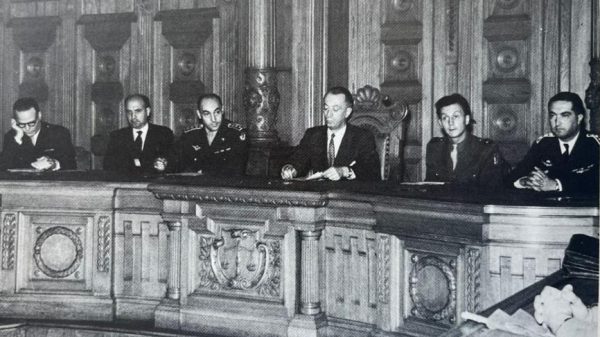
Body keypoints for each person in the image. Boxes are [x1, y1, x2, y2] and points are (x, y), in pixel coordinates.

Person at [281, 86, 380, 181]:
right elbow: (298, 160)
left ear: (347, 112)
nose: (328, 114)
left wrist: (344, 171)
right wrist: (291, 169)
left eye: (335, 109)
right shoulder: (313, 135)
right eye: (326, 108)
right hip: (319, 195)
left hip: (348, 195)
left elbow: (372, 171)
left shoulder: (362, 136)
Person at [507, 92, 599, 193]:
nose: (557, 122)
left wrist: (556, 185)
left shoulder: (594, 144)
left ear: (579, 118)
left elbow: (594, 182)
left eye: (565, 115)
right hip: (548, 207)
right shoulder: (543, 144)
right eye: (553, 115)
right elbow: (511, 178)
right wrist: (525, 181)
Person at [425, 93, 507, 188]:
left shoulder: (486, 149)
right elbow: (429, 187)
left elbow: (492, 192)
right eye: (445, 118)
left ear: (467, 119)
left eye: (456, 116)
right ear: (440, 123)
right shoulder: (434, 148)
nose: (450, 122)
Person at [176, 93, 247, 175]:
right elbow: (178, 160)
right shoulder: (190, 135)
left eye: (217, 112)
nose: (213, 119)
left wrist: (202, 172)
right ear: (199, 114)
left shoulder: (235, 134)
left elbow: (235, 170)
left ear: (222, 110)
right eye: (207, 114)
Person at [103, 94, 174, 174]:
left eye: (138, 111)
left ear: (147, 111)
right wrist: (149, 164)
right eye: (129, 112)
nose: (133, 117)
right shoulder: (117, 136)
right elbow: (109, 166)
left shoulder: (163, 133)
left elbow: (171, 163)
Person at [0, 97, 76, 171]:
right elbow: (3, 167)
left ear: (39, 116)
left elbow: (71, 164)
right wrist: (18, 140)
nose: (27, 128)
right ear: (15, 122)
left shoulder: (58, 133)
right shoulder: (11, 137)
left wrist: (53, 163)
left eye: (31, 123)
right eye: (22, 124)